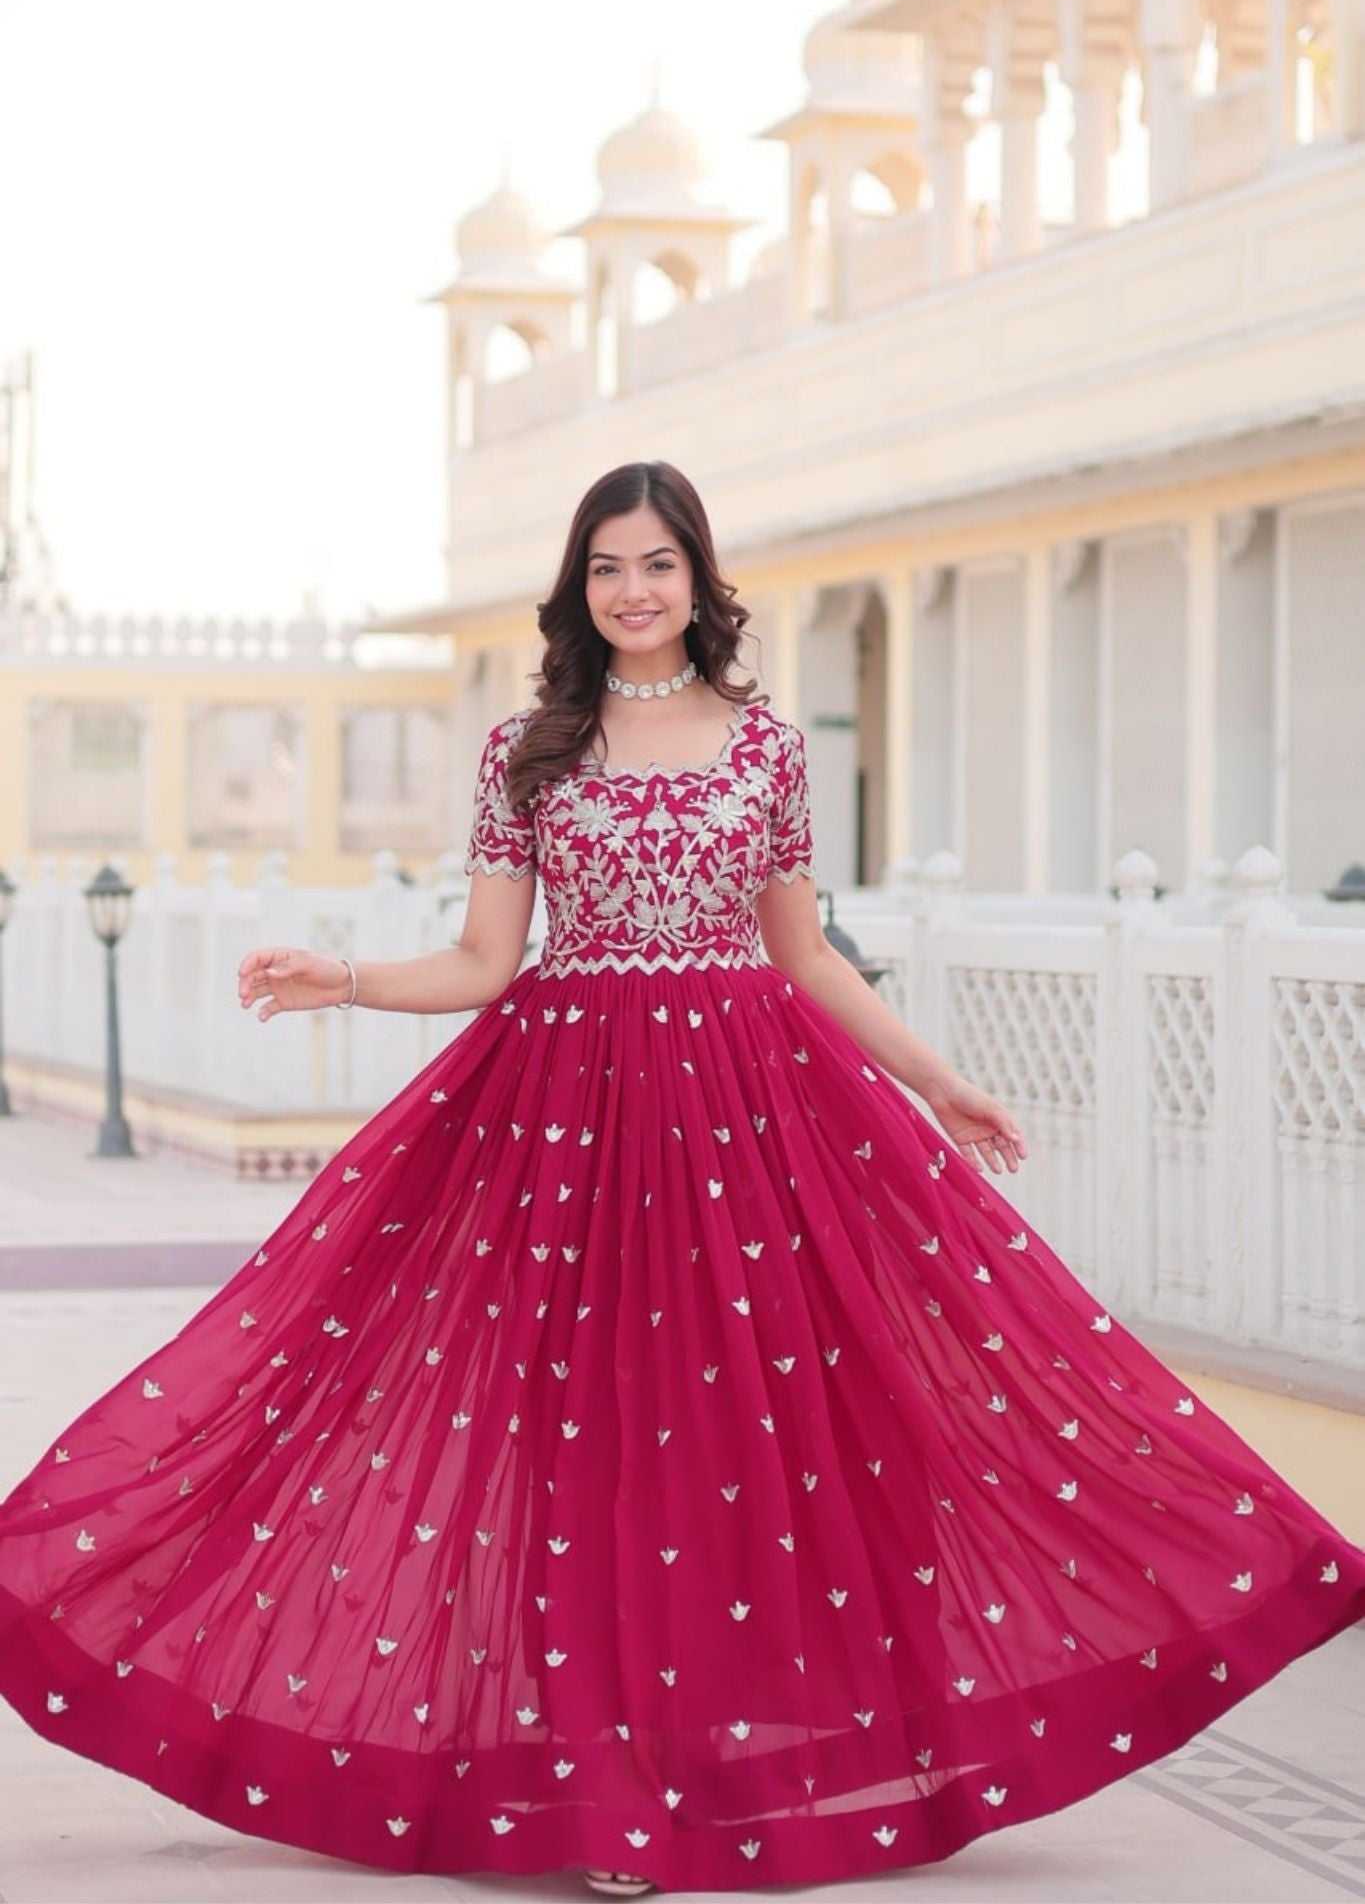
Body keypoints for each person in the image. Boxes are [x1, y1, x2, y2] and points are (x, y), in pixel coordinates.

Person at [0, 459, 1361, 1899]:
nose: (631, 591)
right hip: (564, 1129)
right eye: (605, 567)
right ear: (577, 589)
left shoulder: (766, 748)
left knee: (759, 1440)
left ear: (698, 580)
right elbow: (482, 962)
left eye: (655, 564)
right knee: (579, 1443)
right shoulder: (530, 747)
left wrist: (937, 1078)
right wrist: (336, 976)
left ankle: (730, 1762)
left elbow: (803, 951)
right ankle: (608, 1792)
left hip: (752, 1131)